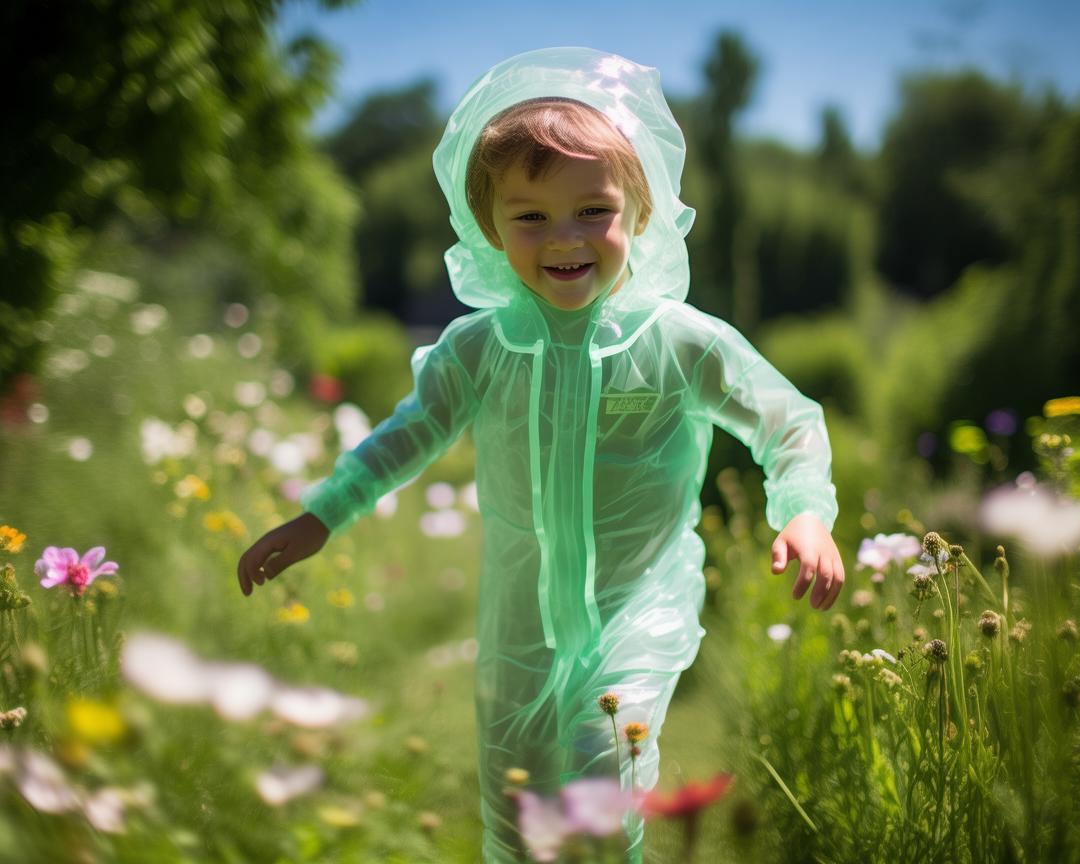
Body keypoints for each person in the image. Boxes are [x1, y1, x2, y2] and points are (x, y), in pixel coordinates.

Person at [237, 47, 844, 862]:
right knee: (516, 805)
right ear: (490, 228)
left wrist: (804, 511)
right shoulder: (483, 349)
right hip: (518, 622)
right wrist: (324, 513)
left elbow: (789, 422)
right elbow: (408, 433)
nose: (566, 238)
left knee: (600, 792)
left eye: (593, 211)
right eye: (531, 217)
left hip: (639, 608)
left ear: (640, 212)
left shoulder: (678, 345)